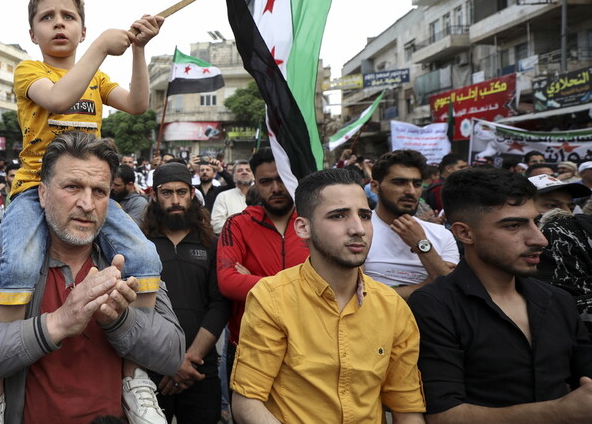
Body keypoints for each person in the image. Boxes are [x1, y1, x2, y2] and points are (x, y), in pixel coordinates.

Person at [0, 0, 165, 423]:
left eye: (68, 16)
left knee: (144, 255)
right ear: (33, 32)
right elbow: (60, 97)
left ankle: (134, 380)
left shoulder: (98, 79)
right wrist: (104, 45)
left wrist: (138, 49)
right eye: (48, 17)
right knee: (20, 267)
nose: (59, 23)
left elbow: (139, 104)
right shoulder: (29, 71)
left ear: (80, 30)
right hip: (33, 189)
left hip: (87, 190)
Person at [0, 131, 184, 424]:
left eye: (99, 191)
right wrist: (57, 323)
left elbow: (171, 354)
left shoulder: (127, 259)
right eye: (72, 187)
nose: (87, 203)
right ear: (42, 194)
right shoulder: (2, 255)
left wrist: (119, 321)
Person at [231, 168, 426, 424]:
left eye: (365, 216)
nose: (358, 229)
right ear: (303, 227)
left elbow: (406, 407)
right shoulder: (272, 298)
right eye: (338, 216)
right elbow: (247, 401)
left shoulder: (392, 307)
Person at [408, 167, 592, 421]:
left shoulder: (557, 300)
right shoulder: (435, 305)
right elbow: (443, 415)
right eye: (514, 226)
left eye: (535, 222)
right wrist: (559, 412)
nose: (539, 239)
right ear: (464, 233)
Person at [140, 163, 229, 424]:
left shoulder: (211, 243)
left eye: (181, 192)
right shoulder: (140, 244)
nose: (175, 200)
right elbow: (134, 312)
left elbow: (219, 304)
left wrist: (190, 360)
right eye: (167, 193)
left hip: (200, 370)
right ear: (154, 196)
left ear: (192, 194)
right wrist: (169, 363)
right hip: (152, 370)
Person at [216, 148, 308, 374]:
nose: (276, 188)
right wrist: (301, 287)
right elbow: (228, 282)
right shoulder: (236, 224)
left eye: (281, 180)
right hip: (249, 348)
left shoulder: (313, 223)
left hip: (308, 346)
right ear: (256, 183)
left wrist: (255, 282)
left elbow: (331, 283)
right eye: (266, 181)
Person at [363, 150, 459, 300]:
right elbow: (361, 297)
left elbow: (452, 293)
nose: (411, 191)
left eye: (417, 184)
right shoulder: (358, 231)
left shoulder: (441, 234)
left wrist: (421, 244)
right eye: (400, 182)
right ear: (375, 187)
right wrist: (429, 284)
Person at [210, 161, 254, 235]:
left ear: (254, 176)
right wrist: (244, 228)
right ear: (233, 178)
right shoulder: (223, 197)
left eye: (248, 170)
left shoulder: (262, 197)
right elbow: (216, 225)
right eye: (240, 170)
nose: (244, 172)